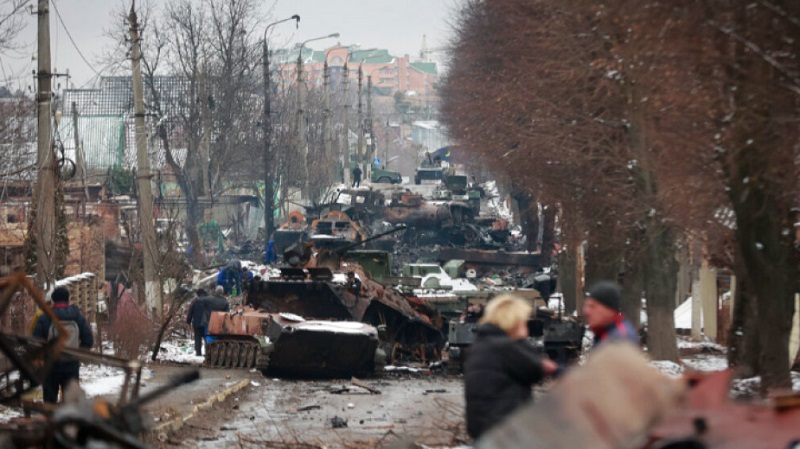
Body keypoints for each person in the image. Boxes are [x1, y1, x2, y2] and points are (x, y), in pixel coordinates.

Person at [464, 294, 558, 439]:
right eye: (523, 321)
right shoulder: (505, 347)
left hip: (484, 428)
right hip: (505, 428)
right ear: (513, 321)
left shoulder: (481, 345)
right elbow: (535, 370)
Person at [33, 287, 94, 404]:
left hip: (51, 365)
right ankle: (68, 421)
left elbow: (36, 342)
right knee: (71, 402)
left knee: (50, 402)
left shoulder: (46, 317)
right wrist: (78, 353)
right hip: (71, 365)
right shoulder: (77, 316)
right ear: (68, 298)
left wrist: (41, 358)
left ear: (53, 300)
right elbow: (88, 339)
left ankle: (50, 420)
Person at [582, 281, 639, 348]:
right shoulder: (605, 334)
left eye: (593, 306)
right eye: (587, 306)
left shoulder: (620, 339)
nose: (586, 311)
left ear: (609, 310)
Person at [186, 289, 209, 356]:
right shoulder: (208, 302)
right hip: (206, 324)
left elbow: (190, 312)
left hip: (197, 323)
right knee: (206, 338)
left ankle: (198, 353)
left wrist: (188, 321)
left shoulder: (194, 302)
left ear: (198, 294)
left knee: (197, 338)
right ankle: (208, 352)